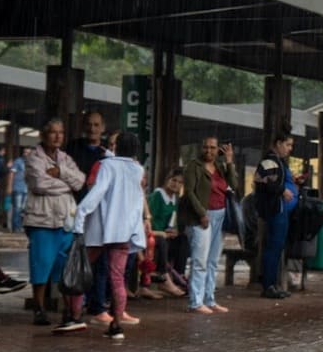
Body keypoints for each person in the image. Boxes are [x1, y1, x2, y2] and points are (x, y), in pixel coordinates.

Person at [70, 132, 147, 340]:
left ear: (117, 147)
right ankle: (117, 325)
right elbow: (137, 202)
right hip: (124, 232)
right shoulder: (138, 170)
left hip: (101, 229)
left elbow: (97, 193)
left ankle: (74, 318)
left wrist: (80, 215)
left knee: (80, 271)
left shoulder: (107, 166)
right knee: (118, 279)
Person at [22, 119, 87, 329]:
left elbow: (80, 181)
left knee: (63, 268)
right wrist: (66, 185)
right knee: (40, 264)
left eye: (61, 132)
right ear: (44, 134)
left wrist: (60, 173)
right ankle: (39, 308)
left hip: (64, 220)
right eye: (53, 132)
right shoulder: (34, 158)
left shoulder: (65, 159)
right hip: (42, 220)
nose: (58, 136)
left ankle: (67, 310)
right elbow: (39, 184)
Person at [178, 137, 238, 313]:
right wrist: (201, 213)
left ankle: (209, 298)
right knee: (200, 260)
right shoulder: (193, 166)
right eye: (206, 147)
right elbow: (189, 192)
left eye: (213, 148)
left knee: (213, 261)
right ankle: (195, 301)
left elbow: (233, 185)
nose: (209, 151)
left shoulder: (220, 167)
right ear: (201, 148)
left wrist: (229, 161)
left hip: (220, 214)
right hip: (201, 216)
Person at [66, 111, 110, 320]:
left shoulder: (107, 154)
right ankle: (74, 307)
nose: (92, 129)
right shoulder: (72, 148)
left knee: (100, 261)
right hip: (75, 208)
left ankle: (97, 305)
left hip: (99, 213)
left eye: (96, 125)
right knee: (76, 257)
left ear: (102, 128)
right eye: (89, 124)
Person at [254, 130, 298, 299]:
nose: (289, 149)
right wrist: (282, 190)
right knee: (273, 247)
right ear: (278, 144)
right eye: (287, 145)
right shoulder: (269, 161)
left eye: (291, 145)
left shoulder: (279, 162)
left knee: (277, 247)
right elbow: (262, 182)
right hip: (275, 210)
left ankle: (273, 283)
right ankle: (268, 285)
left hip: (281, 209)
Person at [148, 168, 187, 297]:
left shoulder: (174, 199)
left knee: (183, 239)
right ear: (167, 180)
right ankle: (164, 278)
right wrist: (161, 232)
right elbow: (149, 219)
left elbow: (172, 221)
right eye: (173, 180)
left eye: (180, 182)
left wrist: (174, 231)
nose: (176, 184)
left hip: (166, 235)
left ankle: (179, 275)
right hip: (153, 235)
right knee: (162, 242)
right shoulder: (157, 196)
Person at [8, 148, 28, 233]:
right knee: (17, 208)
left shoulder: (31, 163)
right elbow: (11, 174)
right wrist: (9, 186)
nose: (27, 154)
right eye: (25, 152)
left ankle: (20, 226)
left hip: (26, 189)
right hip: (18, 187)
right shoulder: (18, 161)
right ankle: (15, 227)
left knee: (23, 209)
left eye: (29, 152)